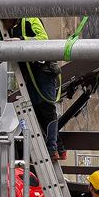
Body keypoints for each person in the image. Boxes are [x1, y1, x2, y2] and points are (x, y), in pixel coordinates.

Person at [13, 16, 63, 155]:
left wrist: (22, 40)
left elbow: (43, 38)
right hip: (30, 75)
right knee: (36, 110)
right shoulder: (6, 29)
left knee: (47, 109)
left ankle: (53, 148)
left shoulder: (30, 19)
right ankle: (58, 147)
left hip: (44, 71)